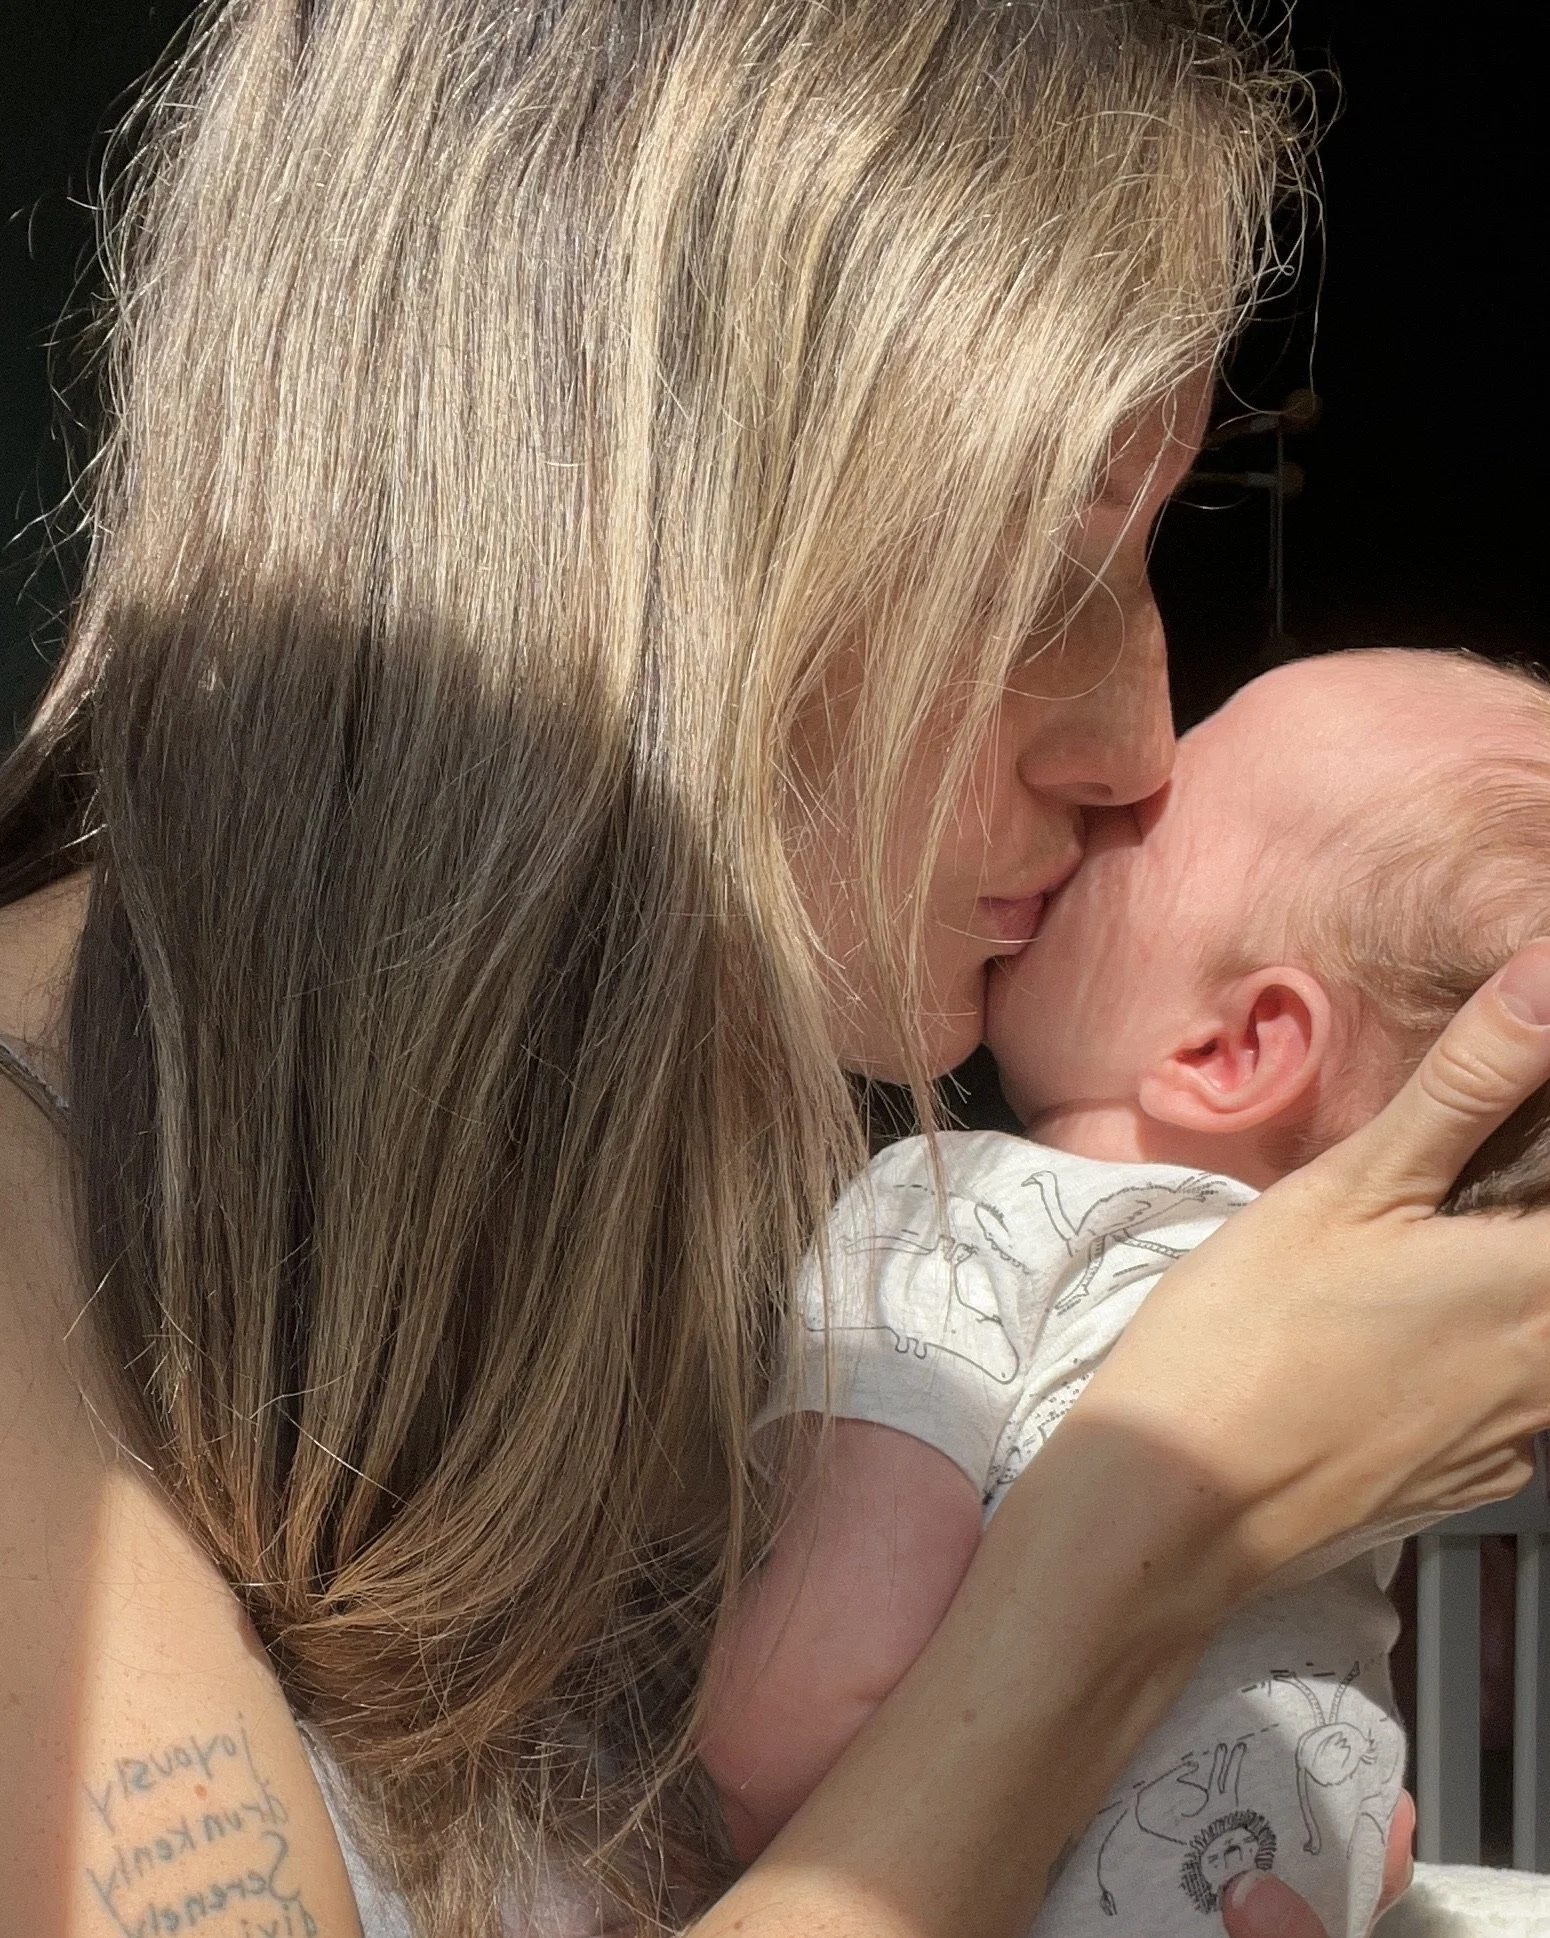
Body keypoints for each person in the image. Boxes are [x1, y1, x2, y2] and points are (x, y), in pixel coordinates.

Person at [3, 4, 1550, 1935]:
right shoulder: (29, 1228)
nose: (1142, 739)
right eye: (1049, 569)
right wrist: (1162, 1525)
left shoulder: (709, 1188)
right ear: (633, 523)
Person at [698, 646, 1550, 1936]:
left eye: (1152, 811)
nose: (1120, 781)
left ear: (1234, 1046)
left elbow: (791, 1731)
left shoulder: (947, 1215)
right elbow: (1356, 1806)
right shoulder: (1371, 1340)